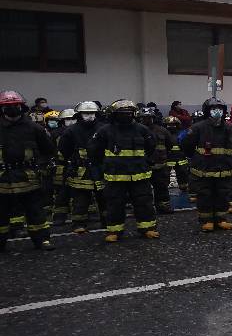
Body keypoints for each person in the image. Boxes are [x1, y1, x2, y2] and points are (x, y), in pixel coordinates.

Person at [88, 99, 158, 243]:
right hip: (115, 177)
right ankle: (114, 231)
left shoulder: (142, 129)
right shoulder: (105, 130)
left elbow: (151, 147)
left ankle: (147, 228)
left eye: (129, 113)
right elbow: (94, 150)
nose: (126, 116)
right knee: (114, 204)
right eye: (122, 113)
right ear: (114, 115)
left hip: (139, 175)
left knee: (144, 202)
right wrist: (105, 165)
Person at [0, 90, 56, 252]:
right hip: (2, 177)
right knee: (1, 212)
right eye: (7, 106)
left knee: (35, 210)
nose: (11, 109)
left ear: (21, 107)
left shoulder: (34, 128)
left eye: (15, 105)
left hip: (28, 176)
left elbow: (48, 149)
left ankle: (42, 240)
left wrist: (43, 168)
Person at [181, 98, 232, 232]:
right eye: (214, 109)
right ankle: (206, 220)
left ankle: (221, 219)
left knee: (223, 194)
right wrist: (197, 159)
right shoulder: (197, 128)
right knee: (204, 195)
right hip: (204, 170)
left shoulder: (231, 128)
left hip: (224, 170)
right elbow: (187, 146)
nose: (217, 112)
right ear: (207, 111)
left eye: (220, 109)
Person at [60, 101, 107, 234]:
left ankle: (107, 220)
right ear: (79, 115)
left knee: (104, 197)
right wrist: (75, 160)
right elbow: (64, 148)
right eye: (86, 113)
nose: (89, 116)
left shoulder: (103, 128)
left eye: (92, 113)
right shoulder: (72, 130)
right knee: (80, 198)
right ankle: (78, 223)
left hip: (100, 168)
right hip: (81, 170)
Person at [138, 107, 175, 214]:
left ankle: (163, 206)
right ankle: (144, 210)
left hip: (159, 166)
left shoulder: (162, 130)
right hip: (142, 167)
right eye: (144, 118)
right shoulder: (136, 130)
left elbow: (169, 145)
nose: (147, 120)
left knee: (161, 187)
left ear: (153, 118)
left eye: (149, 118)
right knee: (142, 190)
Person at [48, 109, 73, 225]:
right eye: (68, 119)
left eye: (73, 119)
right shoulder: (55, 133)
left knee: (81, 192)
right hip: (61, 166)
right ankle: (59, 215)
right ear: (62, 121)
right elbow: (50, 150)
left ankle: (84, 214)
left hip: (77, 165)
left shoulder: (80, 131)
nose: (71, 121)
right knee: (61, 192)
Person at [164, 116, 190, 194]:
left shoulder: (183, 133)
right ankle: (164, 191)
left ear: (177, 125)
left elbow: (187, 145)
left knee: (183, 175)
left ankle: (184, 189)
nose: (171, 126)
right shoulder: (163, 133)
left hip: (181, 159)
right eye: (169, 125)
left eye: (173, 124)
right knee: (164, 176)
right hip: (167, 159)